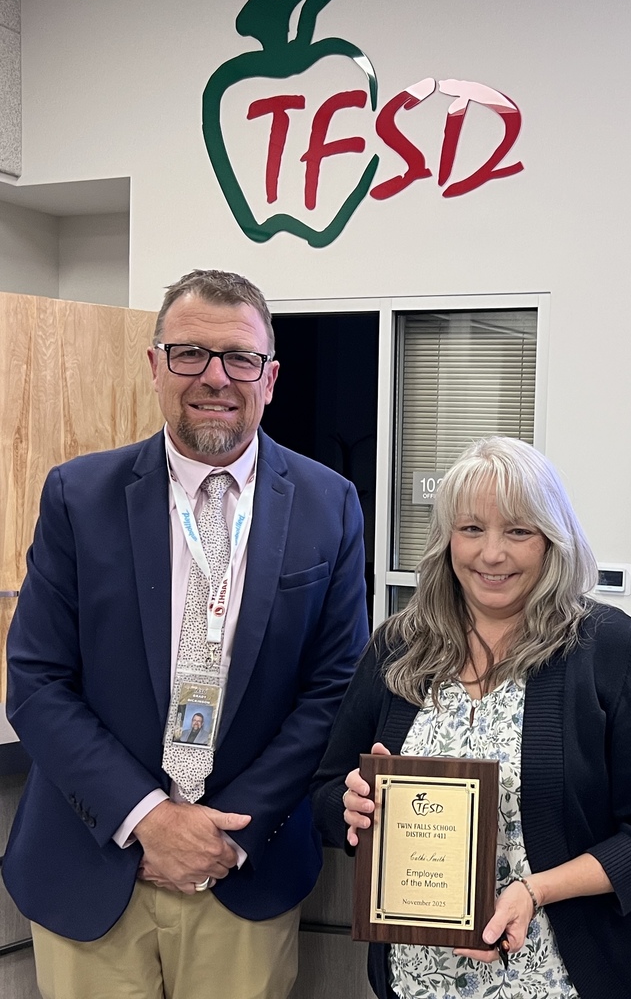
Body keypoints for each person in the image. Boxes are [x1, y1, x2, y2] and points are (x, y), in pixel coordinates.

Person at [4, 268, 370, 999]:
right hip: (92, 864)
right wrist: (147, 820)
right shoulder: (79, 497)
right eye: (189, 354)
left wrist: (224, 833)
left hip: (245, 869)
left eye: (239, 358)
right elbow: (38, 682)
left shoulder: (331, 505)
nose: (215, 377)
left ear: (269, 378)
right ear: (154, 365)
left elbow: (334, 691)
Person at [311, 436, 631, 999]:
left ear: (551, 540)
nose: (491, 554)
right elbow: (327, 794)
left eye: (517, 531)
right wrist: (351, 808)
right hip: (417, 981)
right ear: (447, 538)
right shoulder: (399, 648)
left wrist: (537, 889)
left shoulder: (608, 649)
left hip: (564, 978)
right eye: (471, 529)